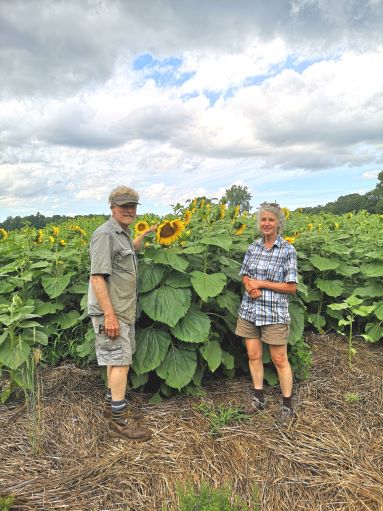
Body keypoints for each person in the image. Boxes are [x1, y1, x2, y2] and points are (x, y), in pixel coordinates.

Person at [88, 185, 157, 441]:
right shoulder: (104, 234)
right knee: (120, 363)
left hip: (123, 309)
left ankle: (110, 407)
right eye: (124, 206)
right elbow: (97, 277)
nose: (129, 210)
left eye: (133, 206)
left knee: (113, 360)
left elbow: (129, 252)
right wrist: (109, 315)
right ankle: (118, 422)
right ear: (112, 207)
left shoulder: (123, 233)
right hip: (113, 310)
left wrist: (146, 235)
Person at [235, 202, 298, 425]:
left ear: (278, 223)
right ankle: (258, 398)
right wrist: (249, 286)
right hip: (250, 310)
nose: (267, 223)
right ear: (259, 223)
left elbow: (292, 287)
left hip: (274, 312)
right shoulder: (253, 247)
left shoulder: (287, 250)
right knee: (253, 355)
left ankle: (287, 407)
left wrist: (262, 283)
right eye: (263, 220)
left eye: (271, 220)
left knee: (279, 359)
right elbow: (245, 274)